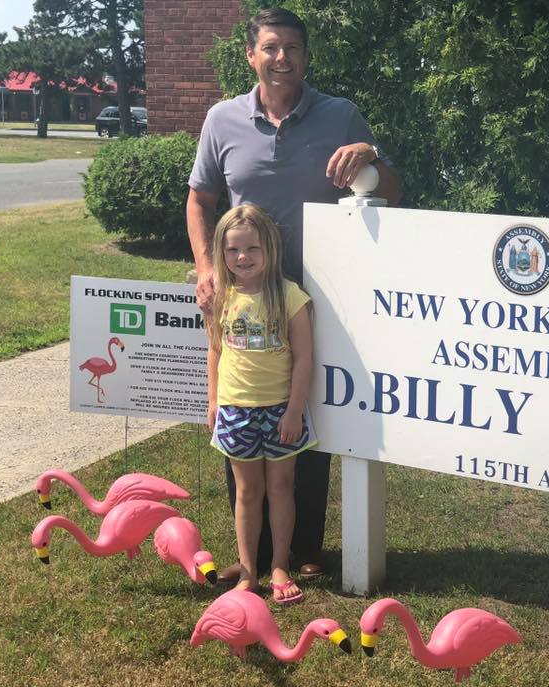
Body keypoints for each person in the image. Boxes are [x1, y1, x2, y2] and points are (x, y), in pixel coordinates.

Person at [187, 6, 402, 583]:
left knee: (305, 408)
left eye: (294, 49)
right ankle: (252, 553)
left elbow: (395, 193)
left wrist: (373, 160)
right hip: (243, 291)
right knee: (240, 400)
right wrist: (208, 266)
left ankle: (304, 546)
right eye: (272, 48)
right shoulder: (221, 120)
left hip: (319, 293)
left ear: (307, 57)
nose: (283, 58)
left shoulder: (340, 116)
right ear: (251, 55)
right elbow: (201, 201)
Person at [207, 203, 316, 603]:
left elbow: (304, 357)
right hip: (236, 409)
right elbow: (216, 350)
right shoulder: (222, 296)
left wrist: (293, 410)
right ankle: (249, 570)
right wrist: (214, 399)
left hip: (279, 409)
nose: (242, 258)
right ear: (222, 253)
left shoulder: (290, 296)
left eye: (252, 248)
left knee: (282, 487)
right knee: (247, 492)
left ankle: (280, 565)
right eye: (233, 250)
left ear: (269, 249)